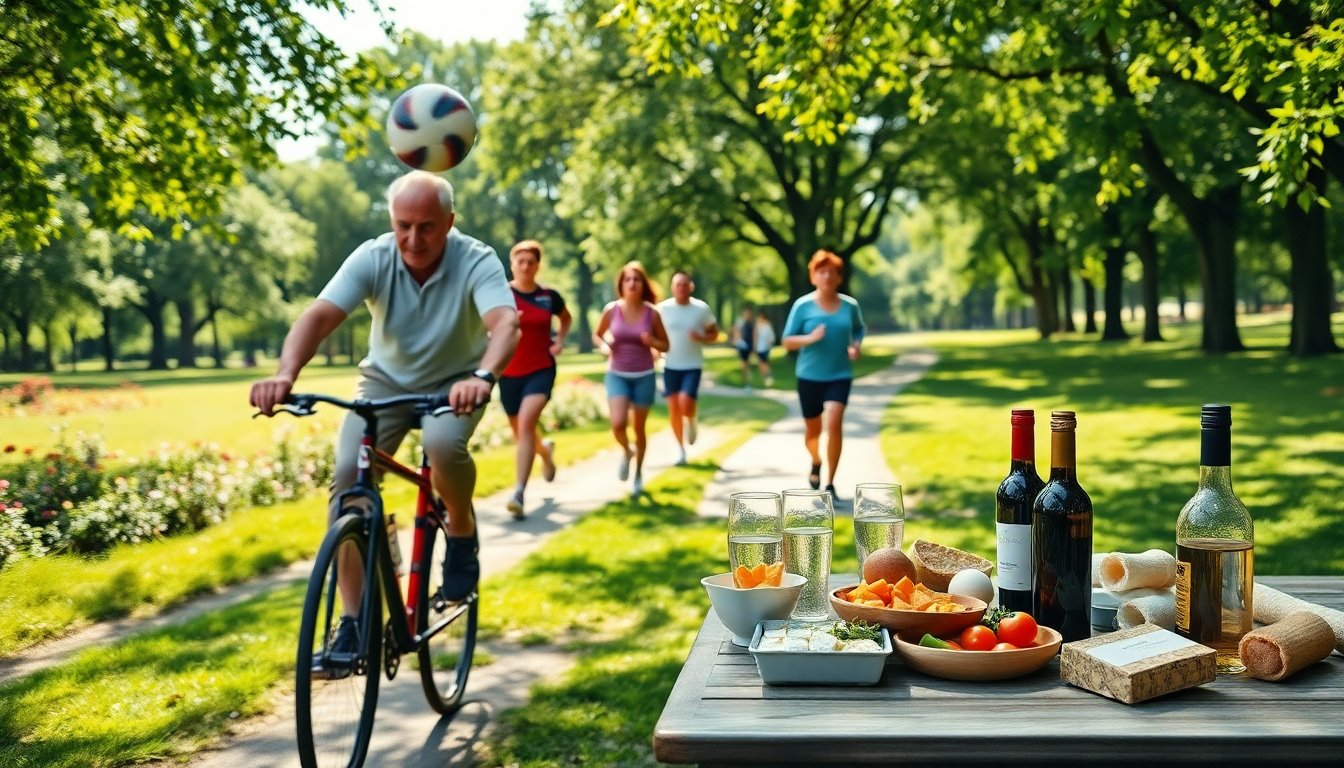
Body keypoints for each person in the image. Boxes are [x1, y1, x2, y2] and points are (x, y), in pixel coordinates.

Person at [249, 170, 519, 661]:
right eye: (403, 225)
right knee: (349, 484)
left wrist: (482, 375)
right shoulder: (375, 255)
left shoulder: (476, 258)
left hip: (455, 384)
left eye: (427, 227)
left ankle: (459, 524)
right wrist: (285, 374)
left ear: (449, 222)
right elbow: (319, 316)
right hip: (384, 385)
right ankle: (353, 624)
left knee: (441, 447)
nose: (413, 239)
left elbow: (505, 323)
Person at [780, 249, 866, 501]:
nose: (827, 276)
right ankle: (816, 460)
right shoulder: (802, 306)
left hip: (839, 374)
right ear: (813, 276)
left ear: (839, 277)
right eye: (822, 272)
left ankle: (829, 483)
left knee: (834, 418)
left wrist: (856, 345)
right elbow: (786, 341)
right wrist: (810, 338)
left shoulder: (850, 306)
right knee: (813, 432)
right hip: (809, 376)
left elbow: (859, 329)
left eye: (832, 272)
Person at [500, 239, 572, 520]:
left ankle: (518, 492)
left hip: (541, 368)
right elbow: (484, 325)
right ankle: (545, 452)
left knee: (528, 423)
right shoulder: (501, 295)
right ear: (513, 264)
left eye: (531, 262)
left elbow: (565, 318)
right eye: (521, 261)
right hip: (508, 373)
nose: (526, 266)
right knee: (522, 434)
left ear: (537, 265)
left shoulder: (548, 296)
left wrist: (560, 340)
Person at [592, 261, 670, 496]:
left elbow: (666, 344)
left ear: (642, 284)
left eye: (637, 279)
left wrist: (652, 342)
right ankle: (627, 451)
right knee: (617, 423)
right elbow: (597, 335)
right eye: (628, 279)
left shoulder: (652, 313)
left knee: (639, 428)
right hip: (617, 373)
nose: (632, 283)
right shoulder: (611, 309)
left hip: (644, 375)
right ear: (621, 284)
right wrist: (605, 346)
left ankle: (638, 475)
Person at [655, 270, 719, 466]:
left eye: (685, 284)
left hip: (692, 365)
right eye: (677, 284)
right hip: (670, 364)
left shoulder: (701, 309)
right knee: (673, 408)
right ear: (672, 288)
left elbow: (714, 334)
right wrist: (655, 349)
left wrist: (700, 338)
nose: (681, 288)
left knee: (685, 402)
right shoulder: (662, 309)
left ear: (690, 287)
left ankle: (691, 419)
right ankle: (680, 449)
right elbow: (653, 333)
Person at [732, 305, 757, 391]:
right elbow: (736, 333)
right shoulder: (740, 323)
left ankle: (748, 383)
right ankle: (746, 384)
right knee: (744, 365)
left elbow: (754, 335)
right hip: (743, 347)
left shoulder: (752, 323)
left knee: (748, 365)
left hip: (749, 346)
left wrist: (754, 348)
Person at [752, 310, 776, 387]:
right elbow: (755, 337)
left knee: (764, 363)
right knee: (761, 363)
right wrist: (754, 347)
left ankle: (768, 378)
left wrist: (769, 345)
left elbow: (771, 337)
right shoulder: (757, 326)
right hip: (759, 347)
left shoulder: (767, 325)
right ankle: (765, 379)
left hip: (765, 347)